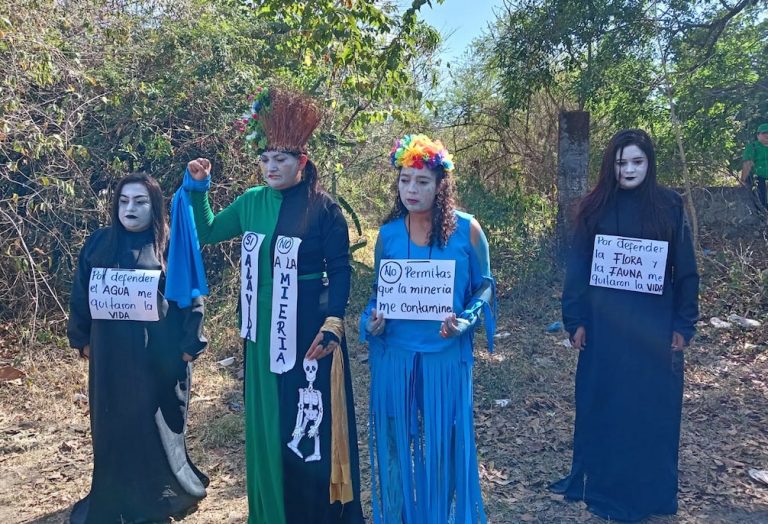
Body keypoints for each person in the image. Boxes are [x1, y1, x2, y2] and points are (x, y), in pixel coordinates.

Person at [184, 86, 364, 524]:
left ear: (301, 161)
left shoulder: (323, 208)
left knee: (304, 425)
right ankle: (270, 513)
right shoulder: (251, 202)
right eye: (264, 159)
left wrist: (333, 323)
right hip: (261, 332)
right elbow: (207, 232)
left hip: (309, 333)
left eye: (280, 159)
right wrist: (199, 188)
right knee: (268, 422)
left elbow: (341, 270)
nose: (270, 167)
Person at [551, 129, 699, 522]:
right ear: (610, 165)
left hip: (654, 329)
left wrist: (684, 324)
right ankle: (607, 488)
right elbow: (578, 270)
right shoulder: (594, 208)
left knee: (651, 410)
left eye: (637, 161)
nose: (629, 169)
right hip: (605, 330)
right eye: (621, 162)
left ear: (649, 164)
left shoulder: (669, 205)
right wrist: (575, 320)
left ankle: (651, 491)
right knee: (608, 406)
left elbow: (686, 270)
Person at [360, 134, 496, 524]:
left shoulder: (468, 230)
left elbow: (484, 286)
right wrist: (370, 321)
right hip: (395, 357)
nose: (411, 189)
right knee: (393, 446)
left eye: (421, 181)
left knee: (444, 447)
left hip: (445, 358)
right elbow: (379, 293)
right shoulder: (388, 235)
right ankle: (397, 517)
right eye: (405, 180)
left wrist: (466, 320)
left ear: (440, 185)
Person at [67, 173, 209, 524]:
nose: (130, 208)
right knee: (113, 427)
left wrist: (190, 345)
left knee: (154, 426)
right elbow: (80, 295)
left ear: (155, 206)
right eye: (124, 201)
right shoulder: (99, 243)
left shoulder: (169, 244)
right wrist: (81, 340)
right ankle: (115, 496)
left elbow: (191, 295)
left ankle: (161, 496)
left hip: (157, 358)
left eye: (140, 201)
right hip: (110, 359)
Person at [740, 122, 768, 210]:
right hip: (758, 179)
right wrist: (743, 180)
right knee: (760, 204)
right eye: (764, 133)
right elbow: (747, 164)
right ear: (758, 135)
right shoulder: (753, 147)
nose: (767, 135)